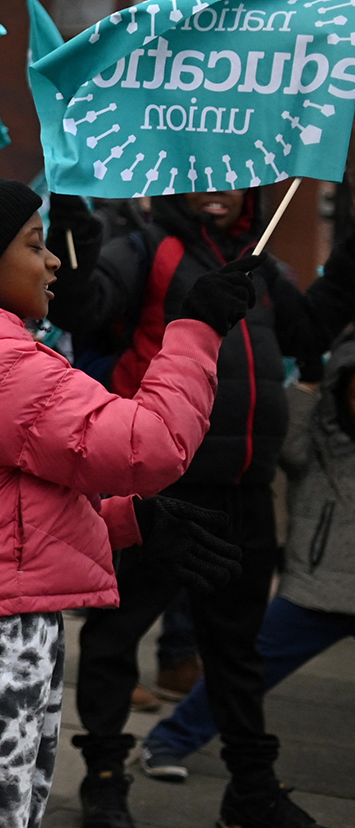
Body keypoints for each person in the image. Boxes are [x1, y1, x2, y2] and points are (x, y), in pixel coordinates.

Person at [0, 153, 251, 828]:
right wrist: (193, 330)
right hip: (1, 625)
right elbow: (151, 444)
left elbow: (7, 503)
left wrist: (134, 521)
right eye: (34, 245)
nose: (52, 263)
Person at [47, 186, 355, 828]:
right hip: (156, 493)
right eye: (204, 173)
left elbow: (307, 333)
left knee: (237, 652)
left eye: (233, 176)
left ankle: (250, 788)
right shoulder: (143, 249)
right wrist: (70, 221)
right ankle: (105, 779)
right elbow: (81, 308)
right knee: (114, 638)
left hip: (243, 491)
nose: (218, 188)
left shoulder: (265, 263)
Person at [142, 338, 355, 781]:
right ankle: (170, 739)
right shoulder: (325, 437)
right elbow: (289, 447)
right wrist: (309, 386)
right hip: (323, 582)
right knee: (248, 662)